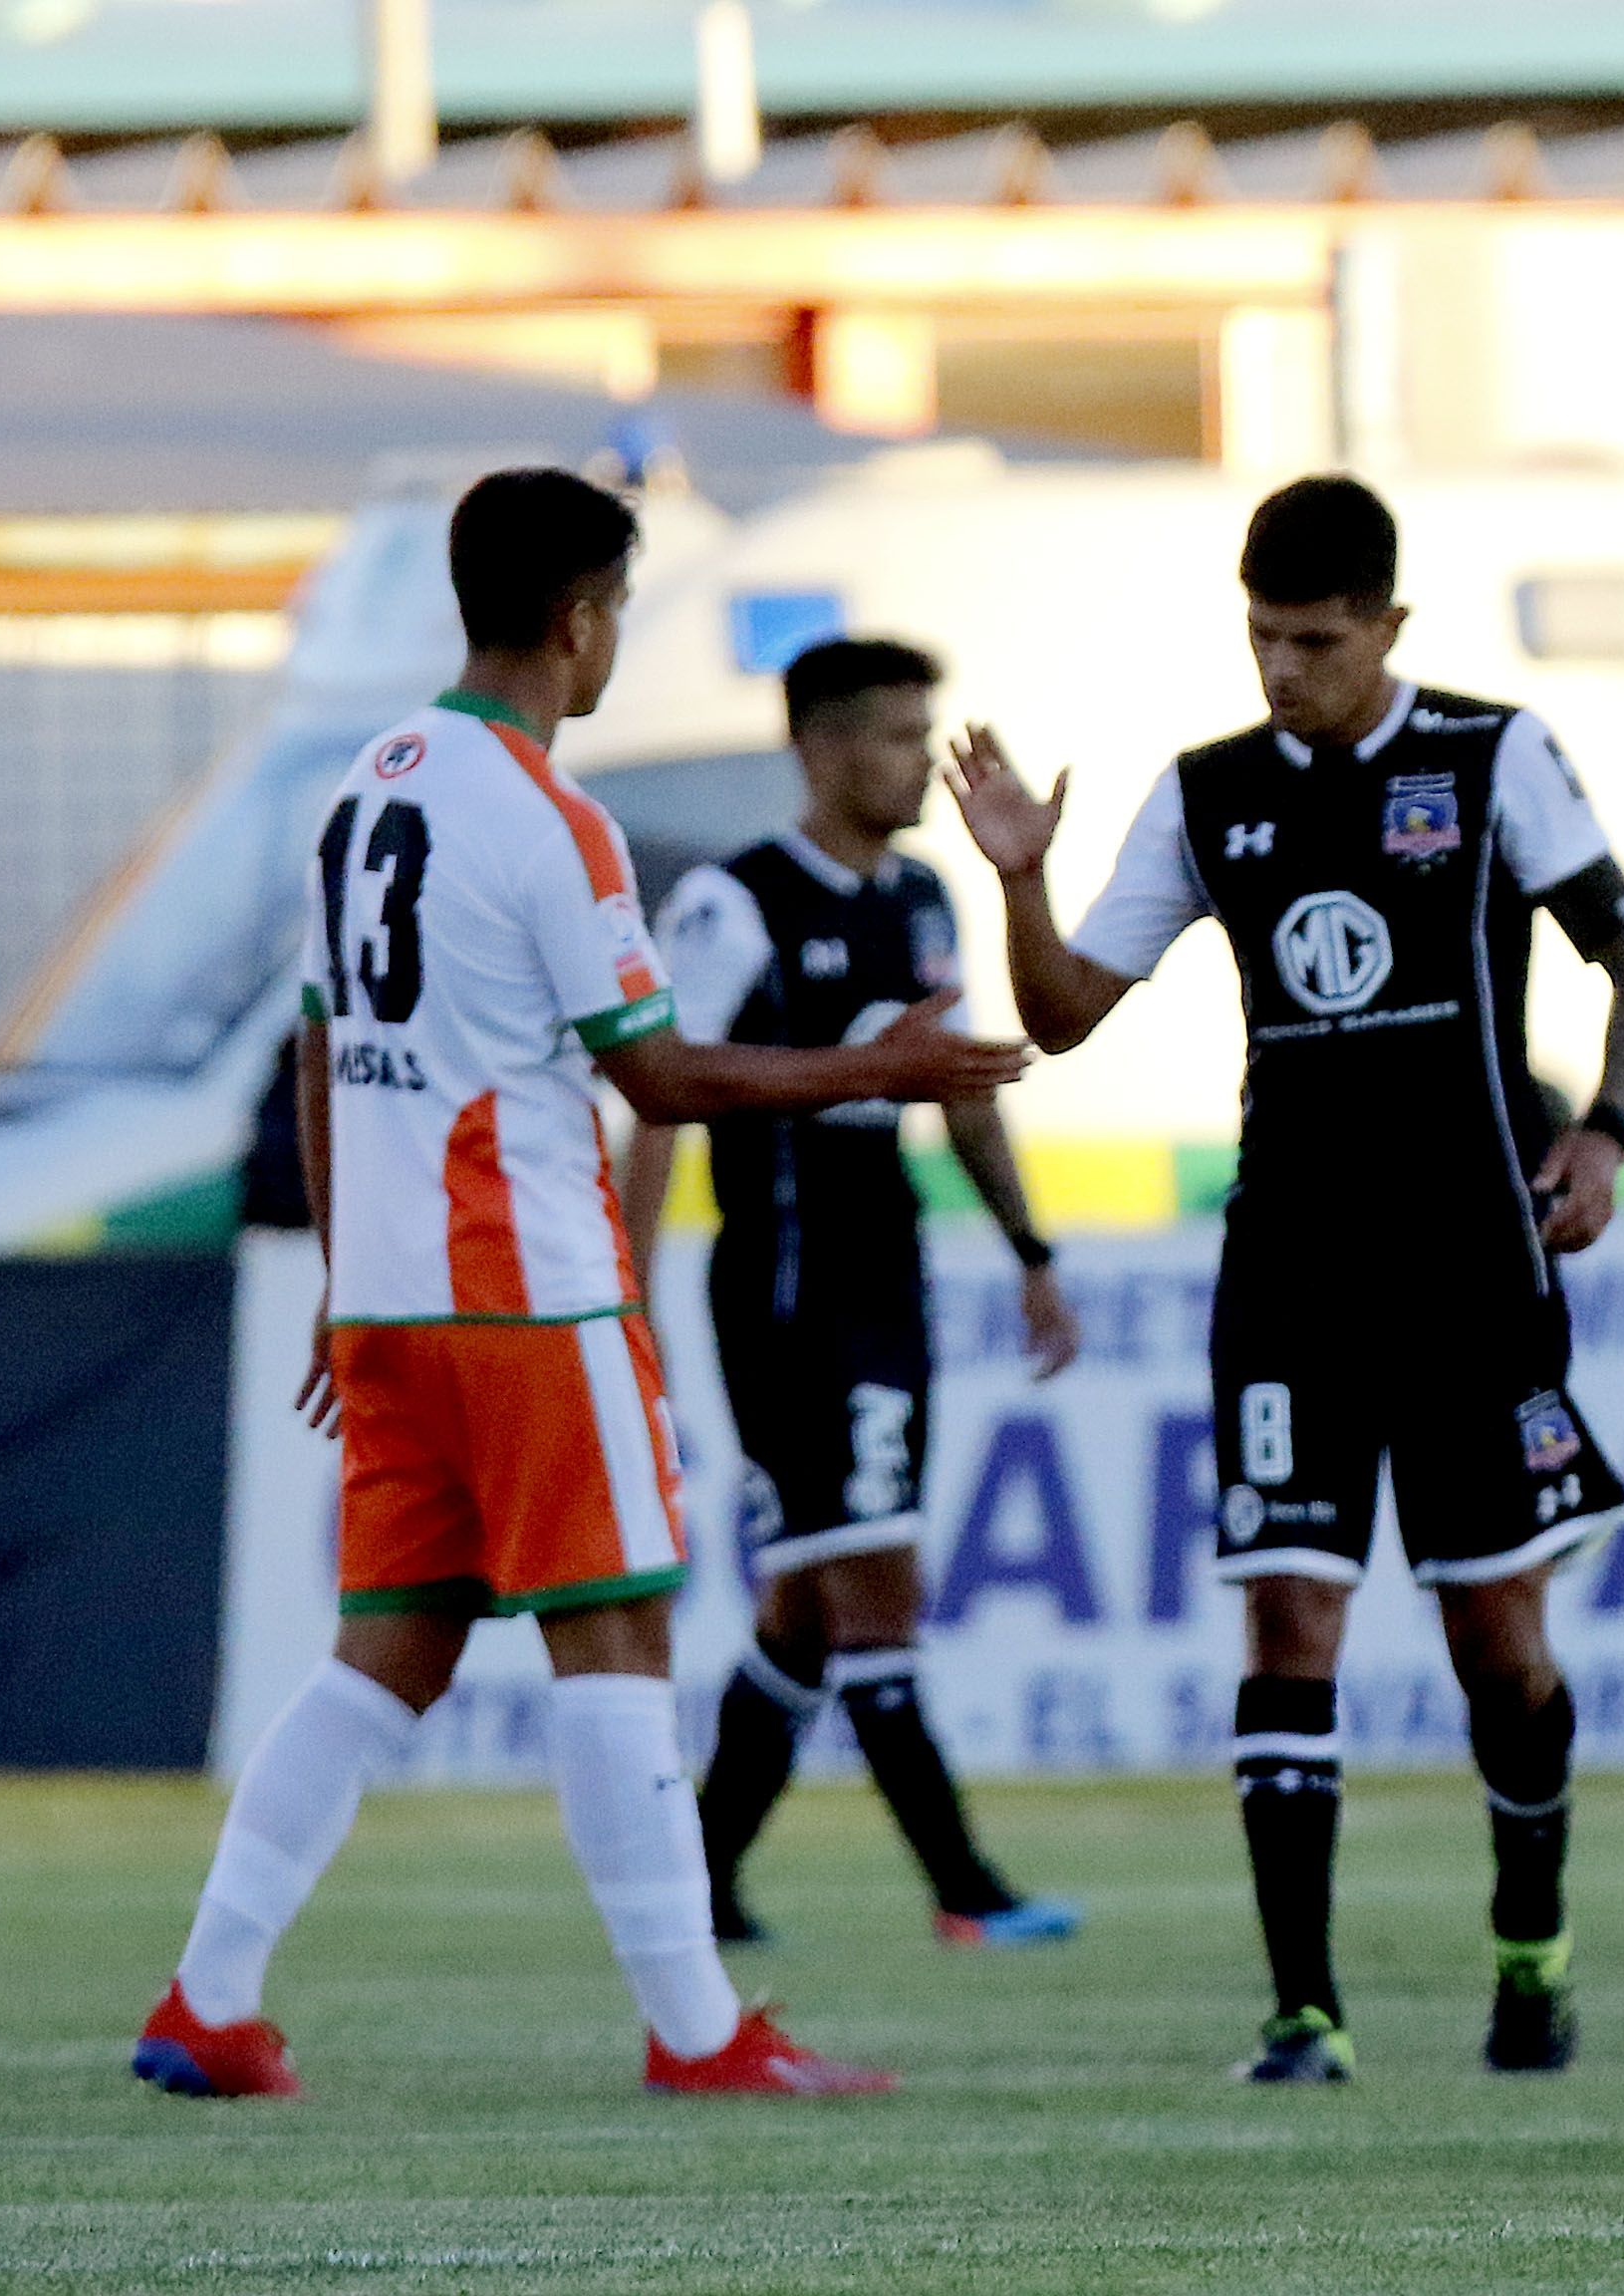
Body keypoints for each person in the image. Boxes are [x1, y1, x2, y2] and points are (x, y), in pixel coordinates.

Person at [135, 468, 1023, 2101]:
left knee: (384, 1651)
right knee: (614, 1631)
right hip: (531, 1296)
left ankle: (209, 1993)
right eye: (617, 609)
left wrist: (348, 1277)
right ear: (579, 616)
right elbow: (664, 1075)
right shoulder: (552, 816)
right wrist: (874, 1062)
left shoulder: (366, 788)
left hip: (395, 1303)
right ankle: (700, 2028)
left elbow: (328, 1048)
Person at [951, 474, 1624, 2083]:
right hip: (1286, 1269)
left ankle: (1531, 1945)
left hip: (1473, 1268)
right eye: (1264, 637)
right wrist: (1019, 877)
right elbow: (1067, 1009)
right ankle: (1304, 2009)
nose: (1284, 670)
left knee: (1500, 1637)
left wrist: (1612, 1130)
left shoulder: (1493, 758)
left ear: (1390, 628)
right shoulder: (1211, 792)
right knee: (1289, 1614)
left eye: (1318, 640)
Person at [617, 636, 1085, 1954]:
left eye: (922, 729)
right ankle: (967, 1891)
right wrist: (628, 1292)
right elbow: (657, 1098)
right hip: (785, 1289)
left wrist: (1031, 1251)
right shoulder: (736, 900)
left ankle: (701, 1878)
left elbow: (961, 1088)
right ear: (817, 748)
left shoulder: (928, 899)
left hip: (890, 1274)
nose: (919, 761)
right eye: (891, 735)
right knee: (876, 1591)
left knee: (811, 1613)